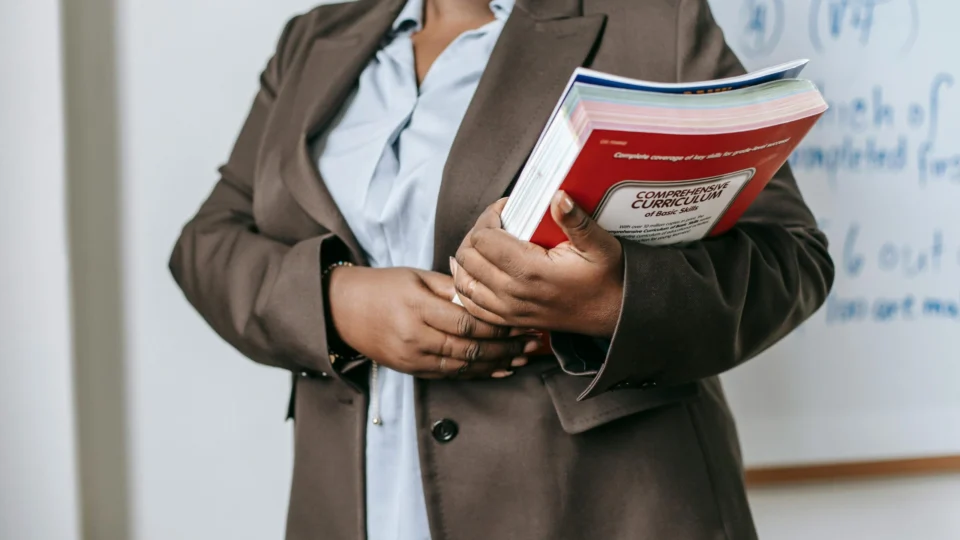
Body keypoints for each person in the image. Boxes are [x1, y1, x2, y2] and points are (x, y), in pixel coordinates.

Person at [169, 0, 835, 538]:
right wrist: (338, 304)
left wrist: (612, 299)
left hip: (597, 506)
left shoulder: (655, 21)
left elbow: (792, 257)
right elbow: (207, 243)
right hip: (352, 502)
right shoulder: (314, 39)